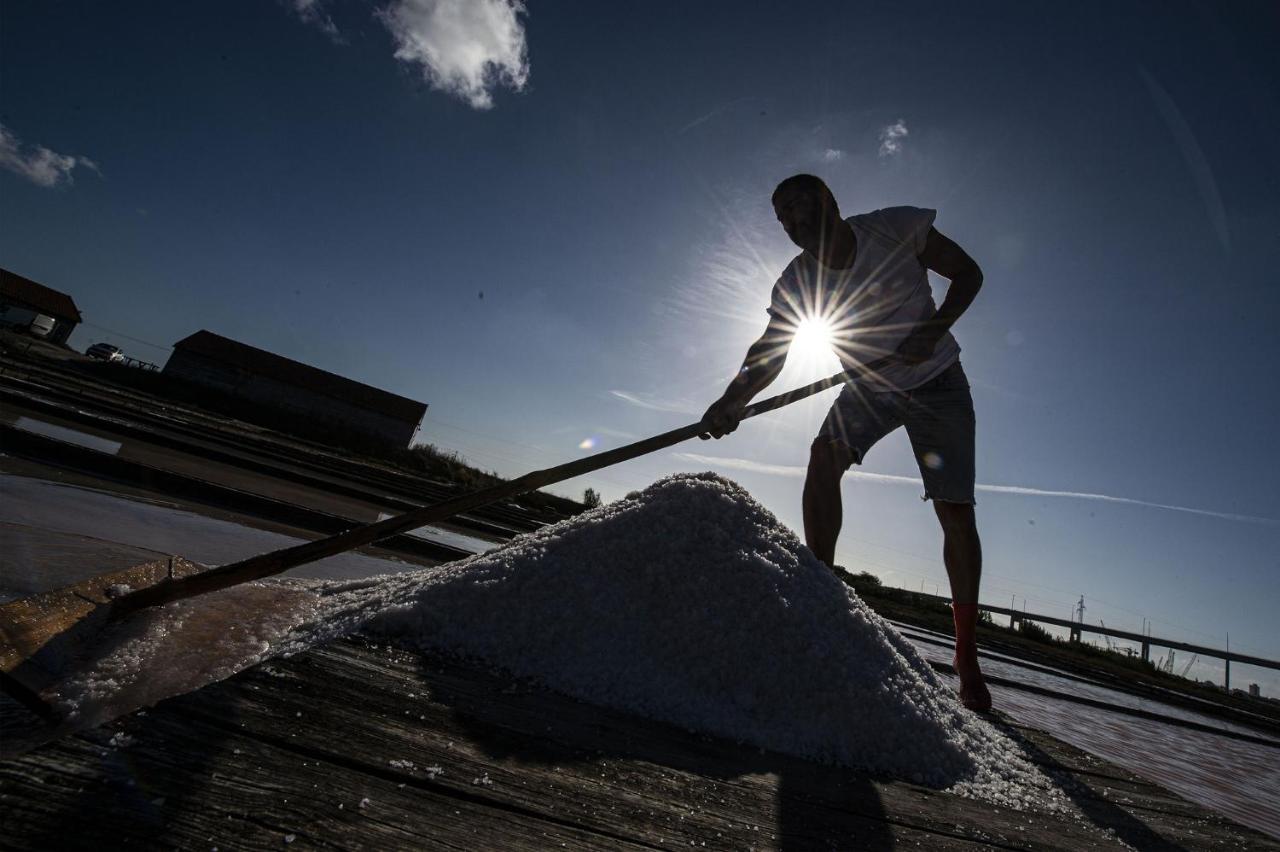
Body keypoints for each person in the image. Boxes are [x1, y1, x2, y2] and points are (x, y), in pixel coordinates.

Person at [700, 174, 991, 711]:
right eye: (781, 217)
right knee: (822, 457)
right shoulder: (796, 281)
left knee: (955, 512)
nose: (791, 221)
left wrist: (933, 330)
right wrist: (730, 400)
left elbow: (969, 274)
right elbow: (770, 351)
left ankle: (966, 653)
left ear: (830, 201)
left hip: (939, 384)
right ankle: (822, 596)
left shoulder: (895, 228)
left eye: (797, 205)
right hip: (870, 387)